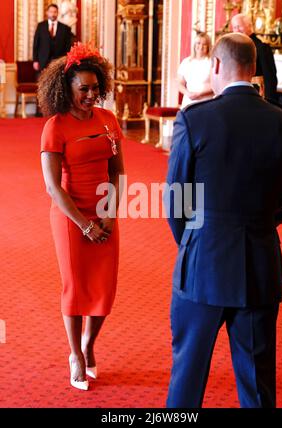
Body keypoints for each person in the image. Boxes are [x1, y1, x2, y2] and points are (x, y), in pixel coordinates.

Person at [165, 33, 282, 408]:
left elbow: (175, 201)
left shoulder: (195, 120)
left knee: (187, 382)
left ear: (217, 66)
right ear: (254, 69)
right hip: (259, 265)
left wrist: (195, 240)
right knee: (257, 386)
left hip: (202, 265)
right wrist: (261, 223)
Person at [38, 42, 125, 391]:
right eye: (83, 89)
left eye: (94, 88)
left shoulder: (109, 120)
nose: (91, 95)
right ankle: (75, 354)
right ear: (67, 89)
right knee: (75, 288)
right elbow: (52, 187)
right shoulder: (55, 127)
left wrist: (109, 215)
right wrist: (85, 224)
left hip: (105, 213)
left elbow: (119, 172)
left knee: (104, 289)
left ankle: (90, 343)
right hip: (70, 216)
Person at [231, 13, 278, 101]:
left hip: (257, 94)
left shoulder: (262, 46)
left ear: (249, 25)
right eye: (234, 27)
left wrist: (270, 101)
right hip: (237, 94)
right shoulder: (233, 47)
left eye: (239, 26)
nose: (237, 30)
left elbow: (270, 77)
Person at [177, 32, 213, 109]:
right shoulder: (186, 62)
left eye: (204, 44)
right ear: (194, 45)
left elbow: (216, 84)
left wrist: (200, 94)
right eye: (198, 43)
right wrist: (188, 93)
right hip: (189, 102)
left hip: (206, 102)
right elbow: (179, 83)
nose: (201, 46)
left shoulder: (212, 62)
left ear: (208, 47)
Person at [33, 3, 72, 72]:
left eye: (55, 12)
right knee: (42, 80)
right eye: (51, 12)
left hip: (59, 61)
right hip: (43, 60)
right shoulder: (41, 26)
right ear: (47, 13)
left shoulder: (65, 28)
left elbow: (68, 46)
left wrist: (66, 60)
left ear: (58, 13)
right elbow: (36, 44)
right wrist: (35, 60)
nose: (53, 14)